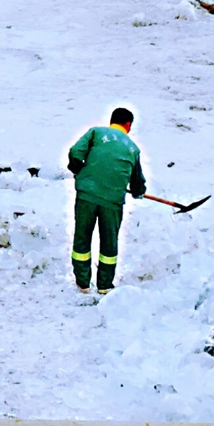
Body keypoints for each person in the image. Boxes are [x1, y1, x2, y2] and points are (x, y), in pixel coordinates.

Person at [64, 107, 145, 295]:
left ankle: (83, 283)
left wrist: (78, 170)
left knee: (82, 237)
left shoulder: (96, 133)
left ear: (112, 121)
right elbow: (137, 183)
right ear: (128, 125)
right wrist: (139, 192)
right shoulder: (133, 148)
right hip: (113, 201)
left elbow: (76, 152)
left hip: (87, 194)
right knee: (109, 242)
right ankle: (104, 286)